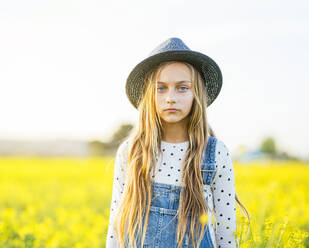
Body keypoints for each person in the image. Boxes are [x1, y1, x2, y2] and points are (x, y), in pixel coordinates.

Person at [106, 37, 250, 248]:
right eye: (161, 88)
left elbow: (226, 232)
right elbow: (116, 229)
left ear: (196, 94)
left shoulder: (216, 153)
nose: (171, 97)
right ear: (149, 95)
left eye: (182, 88)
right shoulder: (130, 152)